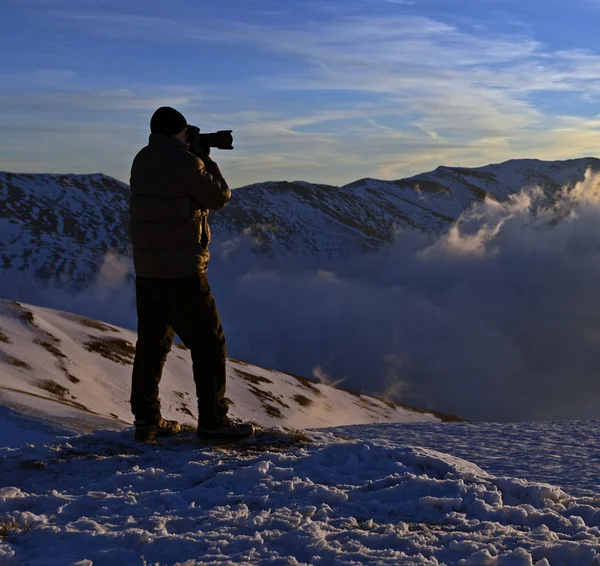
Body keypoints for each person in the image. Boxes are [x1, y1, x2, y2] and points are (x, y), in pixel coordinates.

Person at [129, 106, 254, 442]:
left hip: (148, 273)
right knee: (210, 344)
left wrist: (192, 151)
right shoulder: (185, 162)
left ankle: (146, 421)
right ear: (180, 132)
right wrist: (206, 160)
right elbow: (218, 196)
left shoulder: (142, 159)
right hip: (183, 272)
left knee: (152, 346)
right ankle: (213, 421)